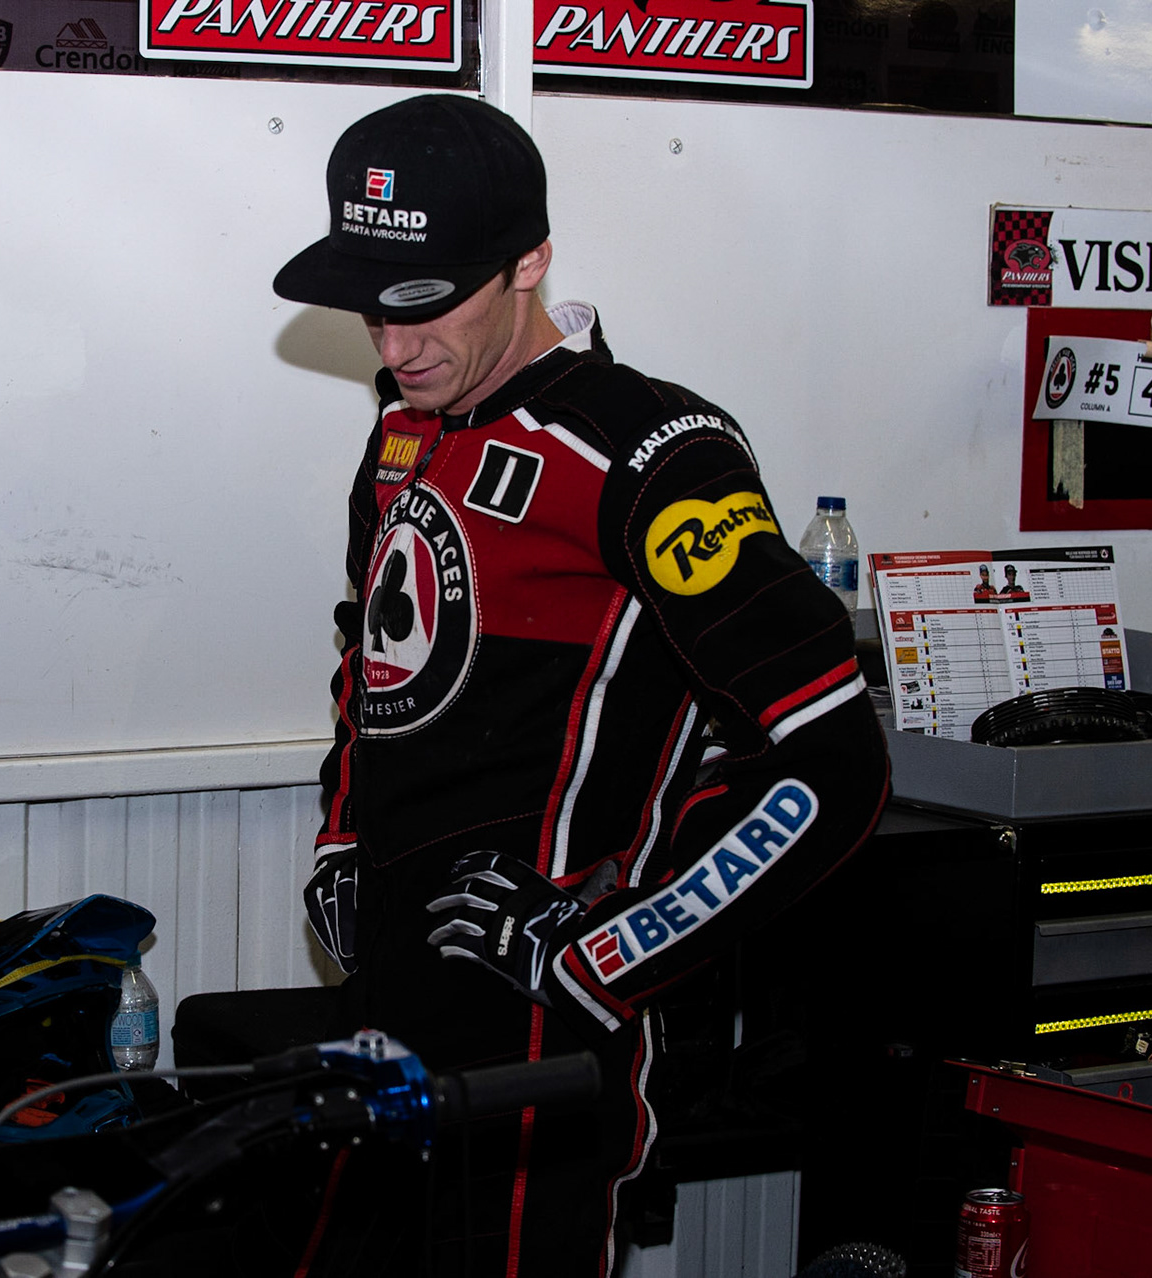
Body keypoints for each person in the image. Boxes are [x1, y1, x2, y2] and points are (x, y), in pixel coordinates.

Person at [273, 95, 890, 1276]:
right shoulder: (406, 428)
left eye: (429, 306)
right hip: (388, 1003)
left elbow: (831, 759)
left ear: (530, 263)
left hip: (544, 1033)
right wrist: (340, 841)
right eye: (373, 308)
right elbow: (373, 661)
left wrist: (605, 946)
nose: (394, 350)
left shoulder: (656, 452)